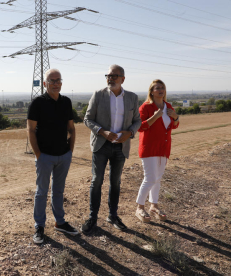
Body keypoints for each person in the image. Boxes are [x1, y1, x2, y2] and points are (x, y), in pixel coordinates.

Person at [82, 64, 141, 234]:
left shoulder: (132, 97)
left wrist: (129, 133)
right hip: (101, 145)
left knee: (115, 182)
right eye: (108, 75)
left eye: (114, 76)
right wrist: (102, 131)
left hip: (120, 147)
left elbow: (137, 121)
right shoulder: (98, 95)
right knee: (96, 181)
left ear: (123, 78)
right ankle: (93, 217)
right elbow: (87, 119)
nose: (110, 78)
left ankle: (113, 216)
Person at [27, 68, 79, 244]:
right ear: (45, 84)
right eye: (52, 81)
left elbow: (71, 128)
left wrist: (70, 152)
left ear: (61, 83)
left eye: (58, 80)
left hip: (63, 156)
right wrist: (38, 154)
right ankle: (39, 227)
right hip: (45, 157)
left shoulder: (66, 102)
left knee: (58, 191)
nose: (56, 83)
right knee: (41, 192)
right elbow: (31, 130)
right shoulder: (37, 103)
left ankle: (60, 222)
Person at [135, 79, 179, 223]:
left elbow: (174, 126)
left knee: (158, 178)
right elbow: (140, 127)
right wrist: (155, 117)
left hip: (163, 148)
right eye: (157, 88)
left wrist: (175, 117)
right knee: (150, 178)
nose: (160, 90)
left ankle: (153, 206)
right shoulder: (145, 107)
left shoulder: (168, 106)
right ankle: (140, 207)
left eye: (162, 87)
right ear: (152, 92)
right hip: (149, 148)